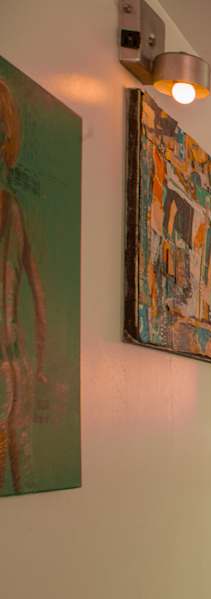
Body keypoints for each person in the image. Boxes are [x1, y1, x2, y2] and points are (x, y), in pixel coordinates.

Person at [0, 78, 47, 493]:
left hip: (13, 363)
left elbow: (37, 298)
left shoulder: (12, 210)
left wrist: (43, 362)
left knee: (21, 467)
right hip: (14, 362)